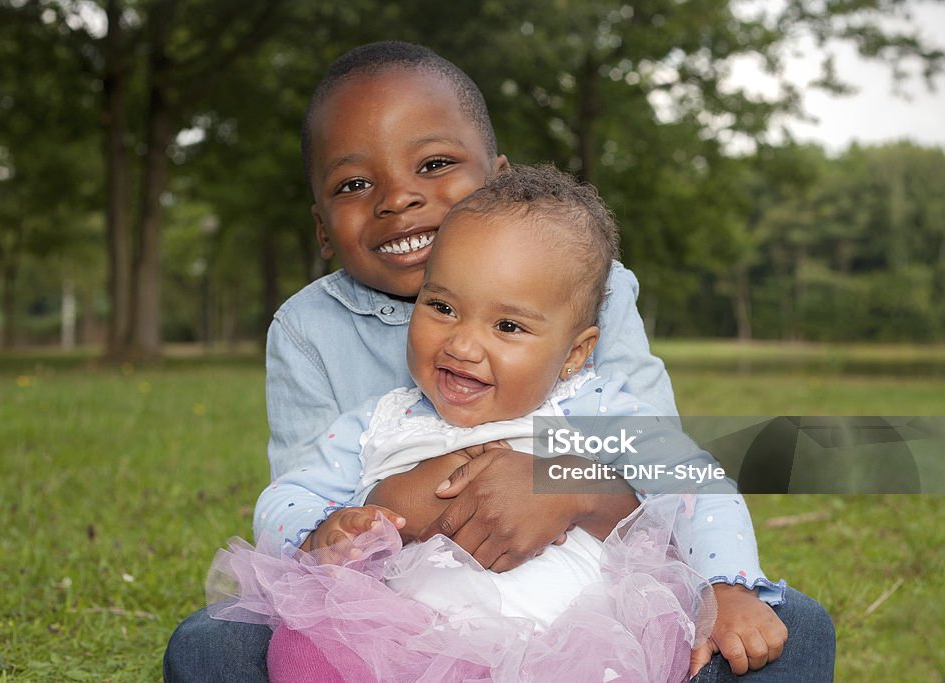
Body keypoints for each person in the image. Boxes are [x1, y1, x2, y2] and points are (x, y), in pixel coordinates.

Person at [163, 41, 835, 682]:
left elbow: (681, 481)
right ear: (320, 226)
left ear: (500, 179)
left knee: (792, 627)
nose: (397, 198)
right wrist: (348, 523)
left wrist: (569, 487)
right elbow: (298, 498)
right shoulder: (350, 378)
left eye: (433, 165)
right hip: (401, 617)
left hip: (582, 612)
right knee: (211, 644)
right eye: (355, 183)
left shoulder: (589, 328)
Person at [208, 164, 775, 682]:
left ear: (574, 354)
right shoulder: (380, 420)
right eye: (443, 307)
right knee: (299, 645)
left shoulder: (595, 409)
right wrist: (323, 530)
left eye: (508, 327)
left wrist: (728, 585)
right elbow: (290, 492)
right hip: (407, 638)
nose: (462, 344)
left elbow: (697, 487)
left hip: (566, 640)